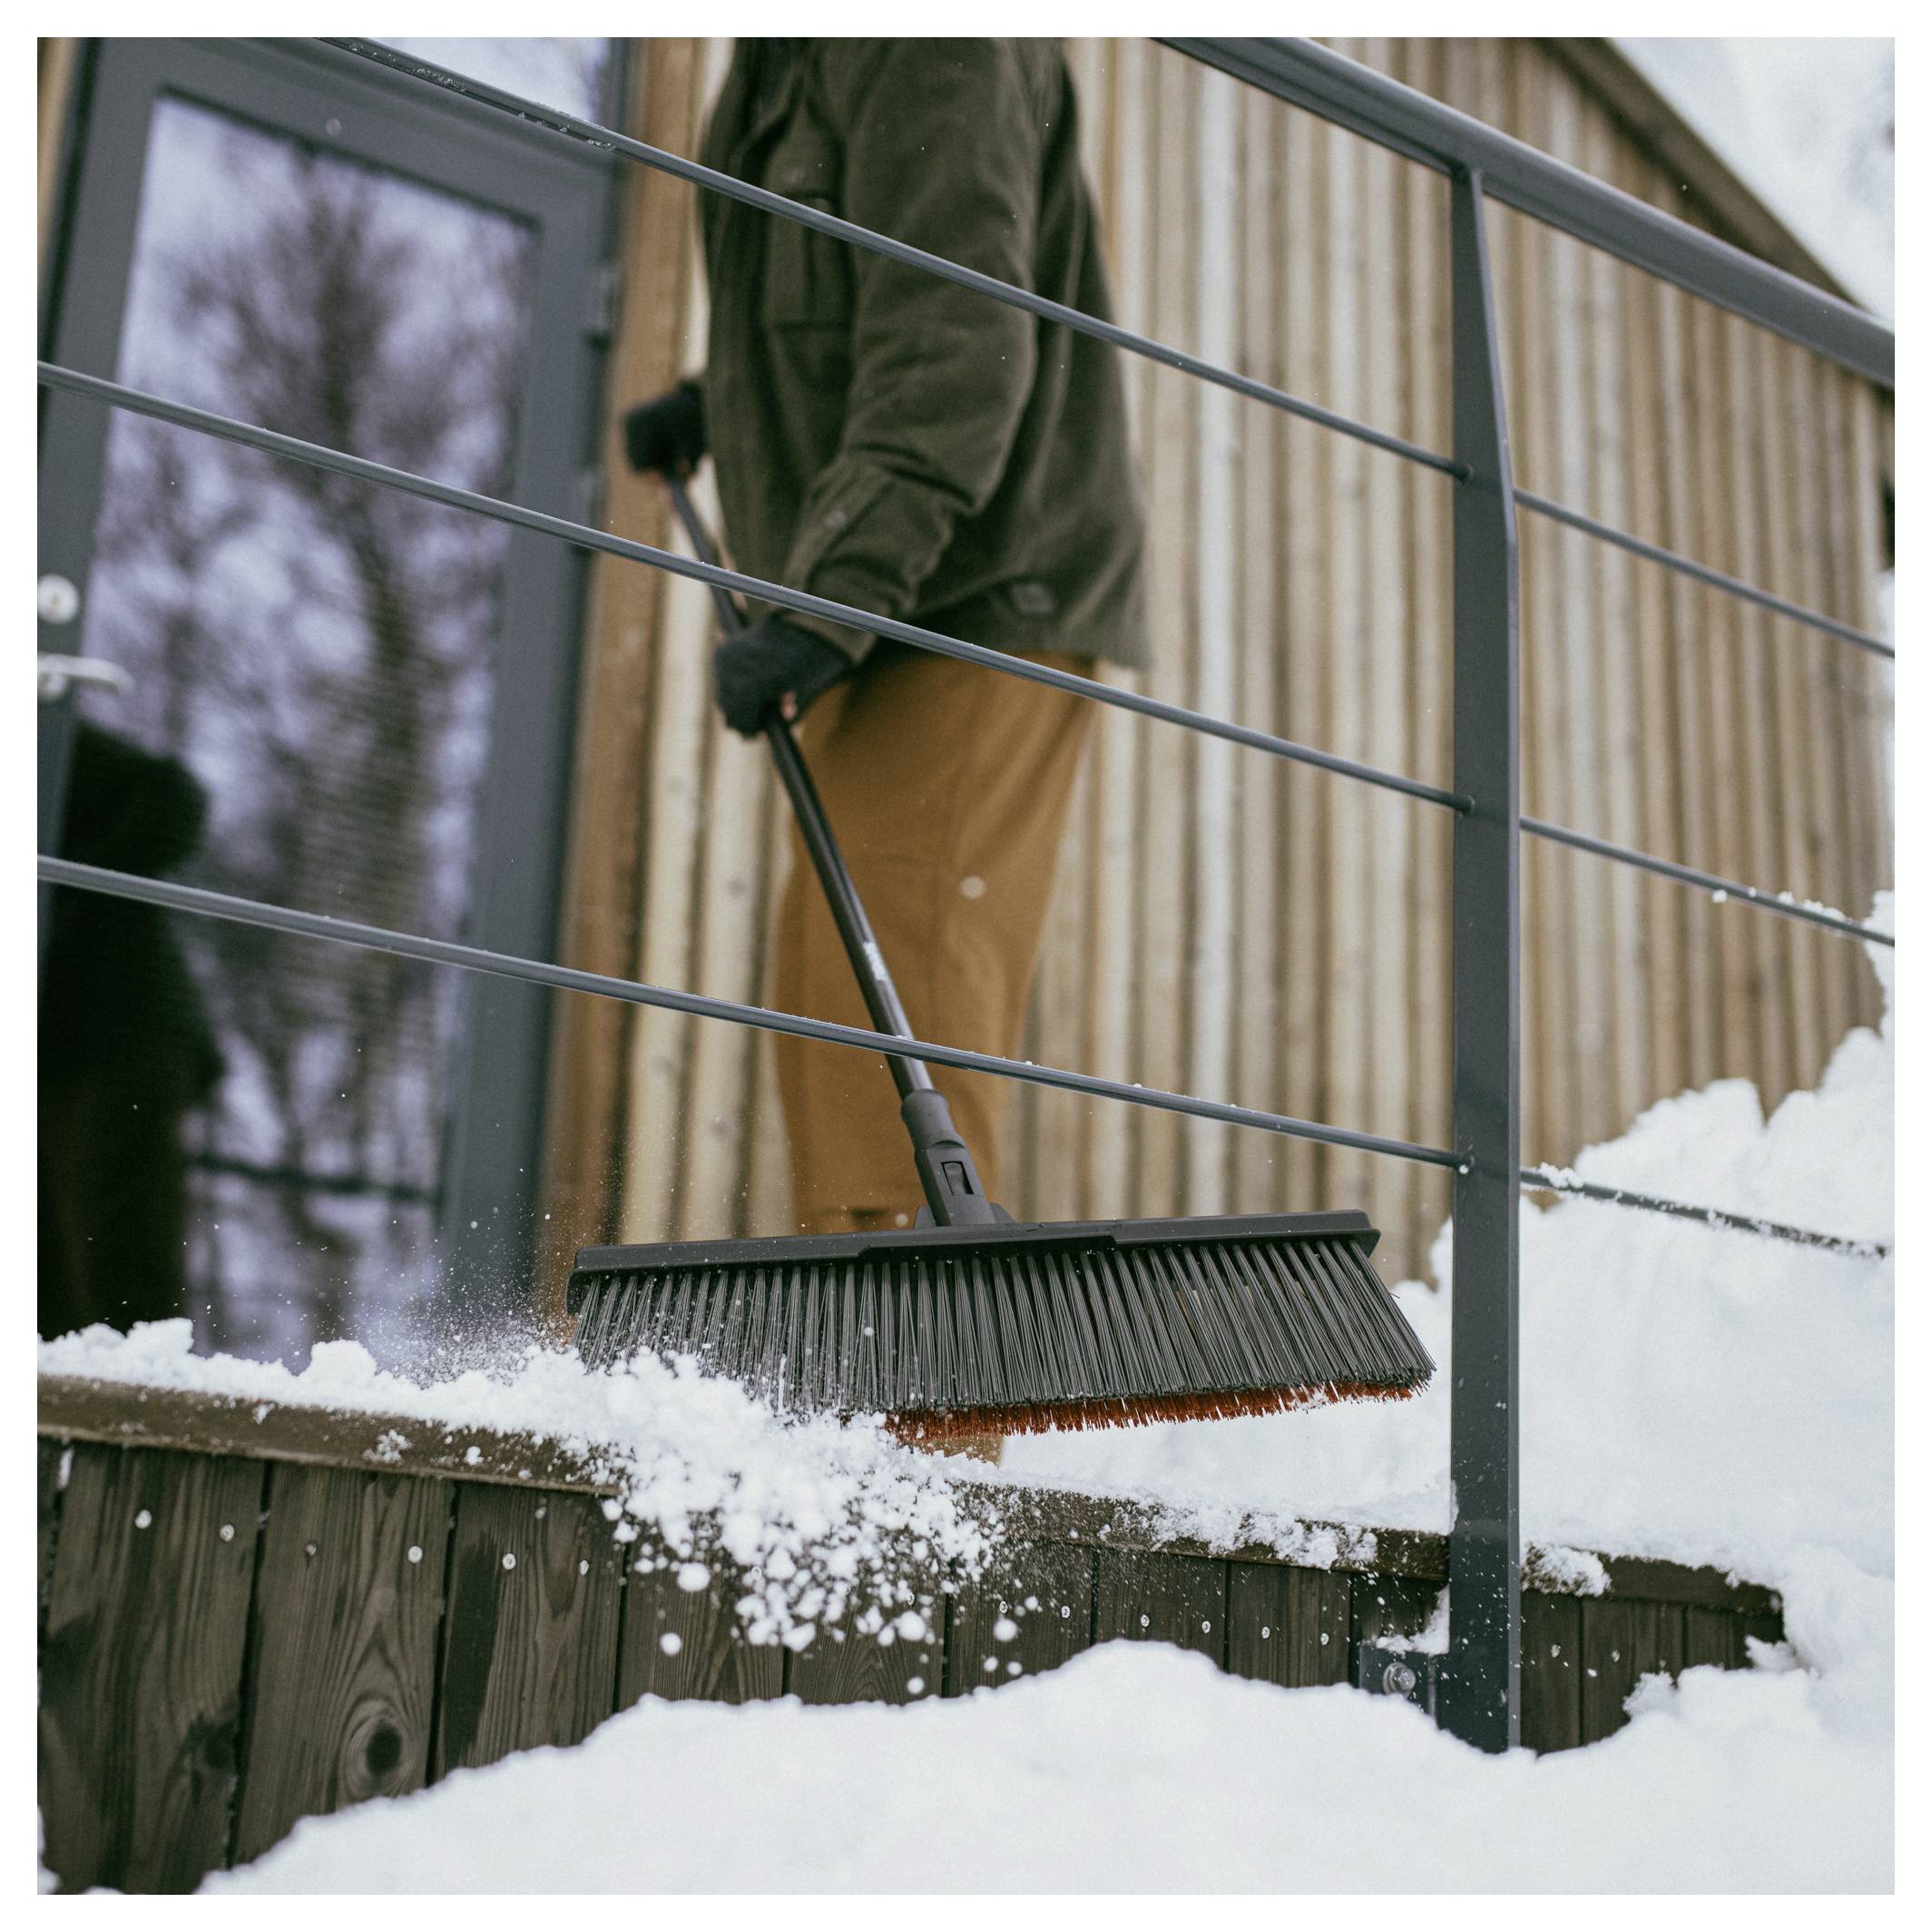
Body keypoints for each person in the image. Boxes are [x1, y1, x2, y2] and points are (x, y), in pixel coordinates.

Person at [625, 39, 1149, 1282]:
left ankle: (929, 1438)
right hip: (895, 587)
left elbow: (957, 334)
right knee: (828, 998)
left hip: (971, 586)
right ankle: (868, 1398)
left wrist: (825, 602)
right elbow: (860, 278)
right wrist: (722, 400)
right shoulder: (785, 53)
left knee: (895, 1014)